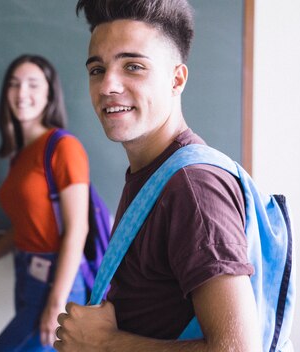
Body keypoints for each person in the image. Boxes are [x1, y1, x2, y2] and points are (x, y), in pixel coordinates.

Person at [54, 1, 261, 351]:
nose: (107, 86)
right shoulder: (153, 175)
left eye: (133, 67)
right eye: (97, 70)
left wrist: (105, 343)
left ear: (176, 79)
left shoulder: (193, 188)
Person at [0, 54, 91, 352]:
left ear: (49, 95)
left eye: (33, 85)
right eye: (14, 84)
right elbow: (24, 225)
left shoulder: (64, 148)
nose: (22, 93)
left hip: (57, 285)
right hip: (27, 280)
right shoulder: (20, 156)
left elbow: (77, 229)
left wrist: (57, 303)